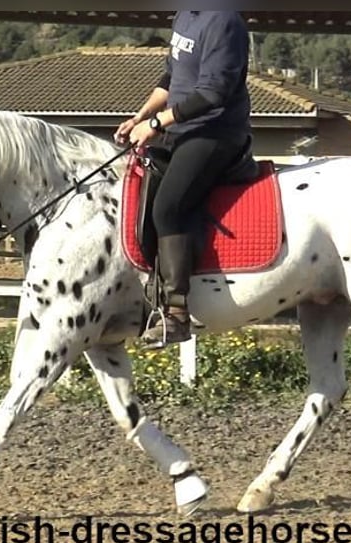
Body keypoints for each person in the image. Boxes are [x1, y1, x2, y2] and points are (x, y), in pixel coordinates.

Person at [115, 11, 252, 349]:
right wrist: (141, 117)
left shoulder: (224, 21)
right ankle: (146, 293)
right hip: (179, 129)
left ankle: (176, 314)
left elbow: (213, 93)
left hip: (217, 133)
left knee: (168, 208)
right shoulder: (185, 16)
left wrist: (158, 124)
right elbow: (171, 78)